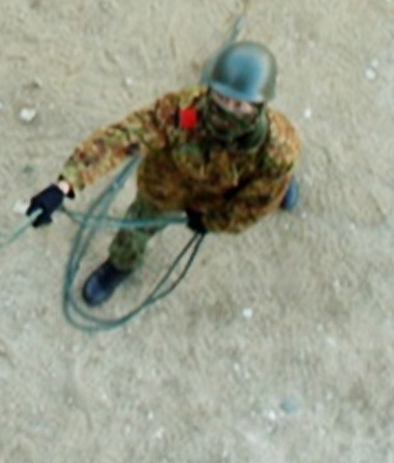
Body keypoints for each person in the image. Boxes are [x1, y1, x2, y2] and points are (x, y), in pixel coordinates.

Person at [24, 41, 300, 307]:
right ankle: (120, 265)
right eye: (221, 97)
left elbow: (252, 206)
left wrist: (214, 221)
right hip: (165, 190)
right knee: (134, 232)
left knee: (271, 187)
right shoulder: (189, 114)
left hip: (219, 195)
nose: (226, 109)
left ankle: (283, 189)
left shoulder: (275, 149)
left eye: (239, 105)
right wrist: (66, 184)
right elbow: (128, 135)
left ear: (259, 105)